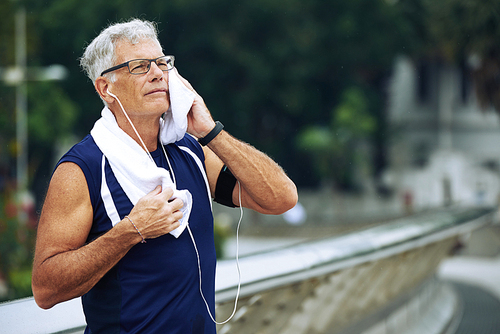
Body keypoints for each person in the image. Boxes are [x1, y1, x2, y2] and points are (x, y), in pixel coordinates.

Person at [31, 19, 297, 334]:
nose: (158, 73)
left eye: (162, 62)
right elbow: (46, 288)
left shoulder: (191, 149)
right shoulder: (82, 168)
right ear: (106, 88)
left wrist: (210, 131)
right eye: (140, 66)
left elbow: (282, 198)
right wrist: (131, 230)